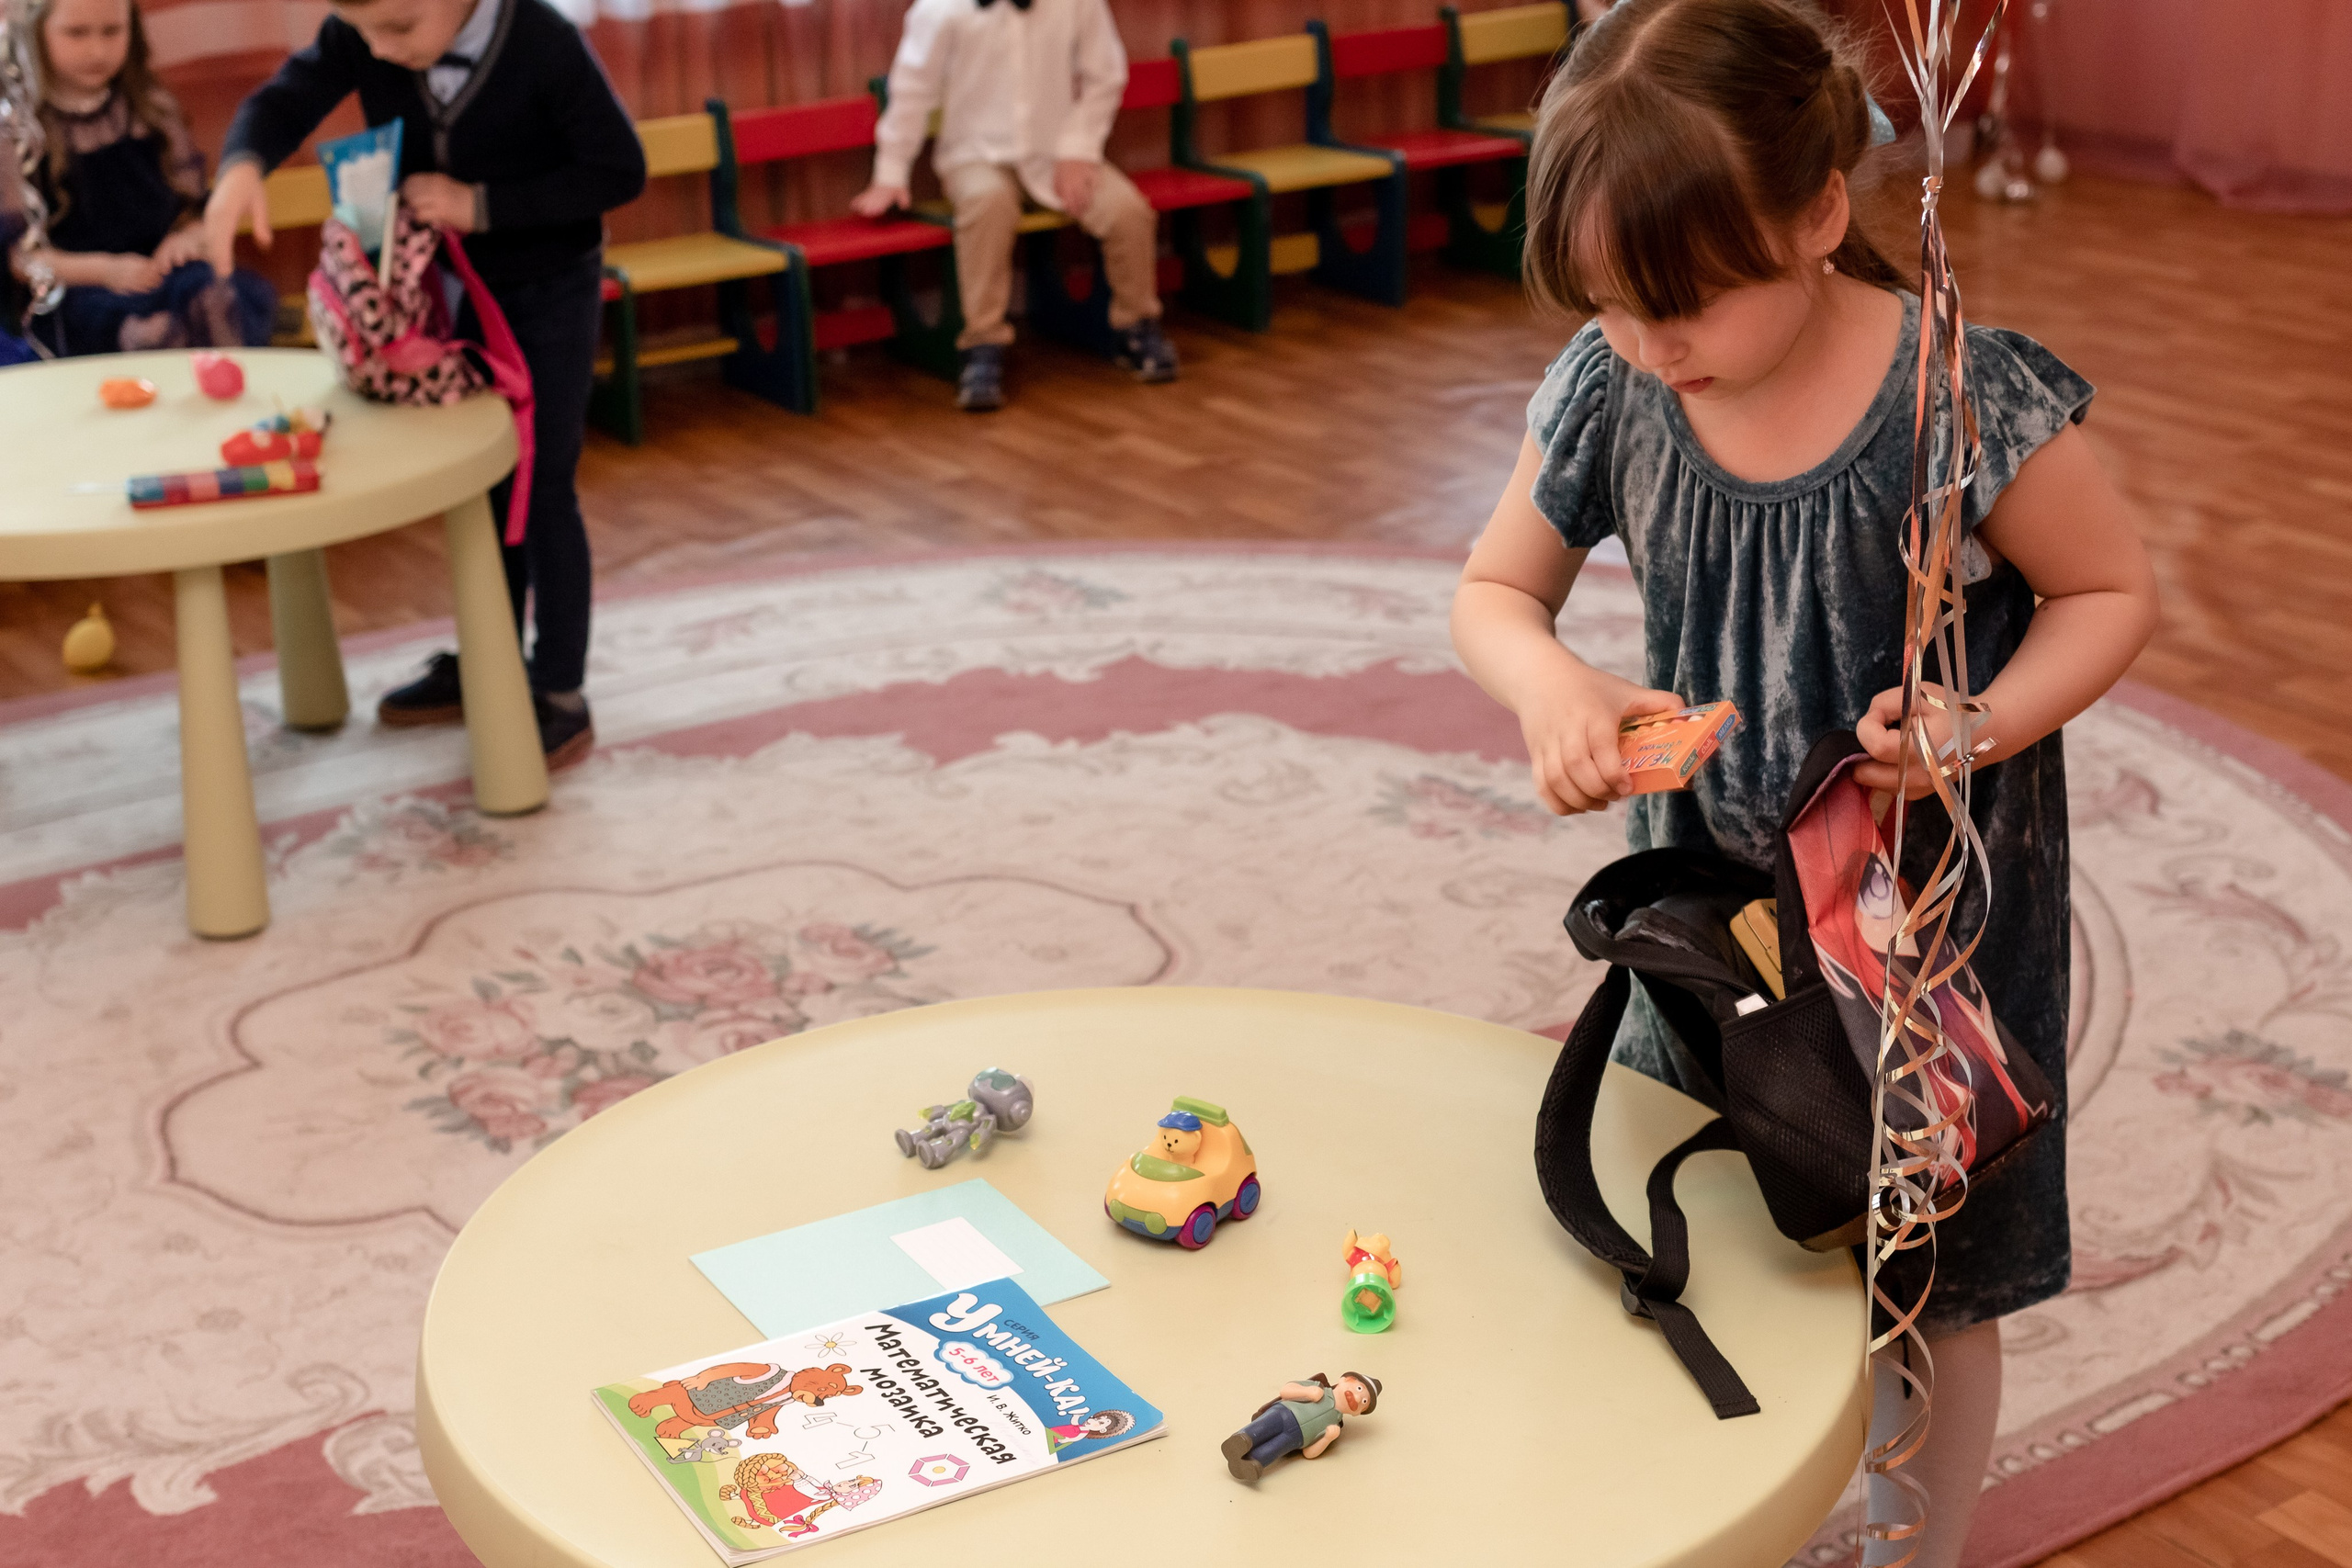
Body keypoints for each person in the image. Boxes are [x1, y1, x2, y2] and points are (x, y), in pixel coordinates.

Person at [1445, 3, 2158, 1564]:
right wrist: (1553, 683)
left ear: (1820, 215)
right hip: (1717, 918)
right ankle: (1708, 1502)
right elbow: (1495, 593)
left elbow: (2112, 594)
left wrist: (1981, 720)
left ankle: (1918, 1543)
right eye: (1608, 303)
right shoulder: (1613, 382)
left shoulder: (1957, 393)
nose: (1647, 342)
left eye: (1682, 301)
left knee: (1926, 1271)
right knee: (1701, 1186)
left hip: (1926, 939)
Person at [201, 0, 647, 769]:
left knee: (540, 489)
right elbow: (282, 101)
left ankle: (560, 689)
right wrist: (241, 168)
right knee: (480, 483)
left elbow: (617, 170)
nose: (377, 50)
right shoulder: (370, 26)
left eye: (399, 31)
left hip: (548, 293)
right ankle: (490, 658)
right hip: (444, 292)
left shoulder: (544, 42)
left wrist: (483, 206)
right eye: (364, 33)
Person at [850, 0, 1177, 412]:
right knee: (988, 206)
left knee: (1128, 212)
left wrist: (1078, 149)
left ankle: (1137, 325)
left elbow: (1105, 75)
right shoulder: (940, 9)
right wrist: (891, 172)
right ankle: (982, 344)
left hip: (1057, 154)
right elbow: (912, 90)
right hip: (976, 155)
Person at [8, 0, 273, 355]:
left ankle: (234, 407)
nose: (97, 50)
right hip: (77, 290)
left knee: (213, 298)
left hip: (159, 275)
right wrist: (106, 271)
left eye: (112, 31)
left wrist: (187, 239)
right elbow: (21, 259)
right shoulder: (17, 132)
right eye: (77, 33)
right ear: (36, 33)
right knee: (150, 332)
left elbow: (196, 210)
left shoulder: (152, 112)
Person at [1220, 1371, 1380, 1481]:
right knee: (1262, 1427)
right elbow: (1286, 1390)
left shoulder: (1334, 1424)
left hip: (1296, 1438)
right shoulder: (1319, 1387)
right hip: (1285, 1413)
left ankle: (1251, 1464)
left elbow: (1309, 1453)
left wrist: (1327, 1438)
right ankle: (1241, 1440)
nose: (1358, 1398)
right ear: (1345, 1379)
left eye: (1364, 1402)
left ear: (1357, 1413)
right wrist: (1307, 1391)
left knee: (1274, 1449)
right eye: (1359, 1389)